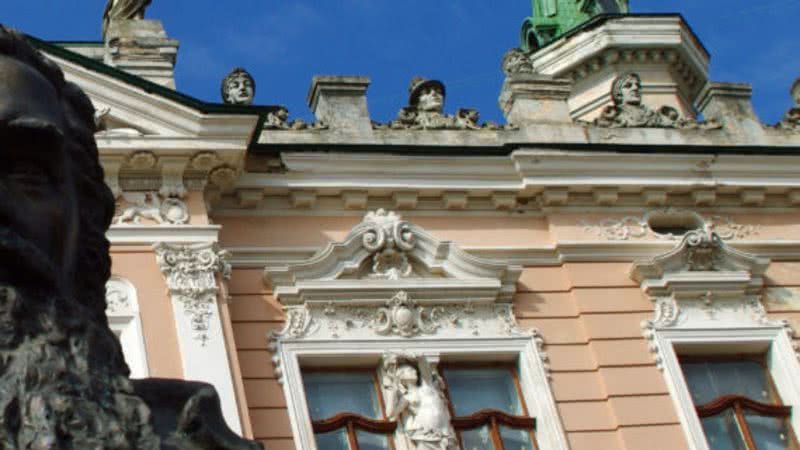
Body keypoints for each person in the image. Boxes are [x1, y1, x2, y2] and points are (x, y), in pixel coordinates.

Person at [383, 356, 455, 450]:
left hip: (442, 431)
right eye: (409, 370)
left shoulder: (426, 387)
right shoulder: (407, 397)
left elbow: (424, 366)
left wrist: (415, 356)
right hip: (426, 433)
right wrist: (392, 390)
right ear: (402, 378)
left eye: (414, 370)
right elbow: (390, 414)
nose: (414, 371)